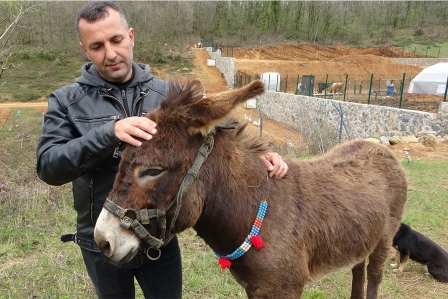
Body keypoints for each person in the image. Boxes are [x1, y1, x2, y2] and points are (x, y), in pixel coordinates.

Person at [36, 2, 288, 299]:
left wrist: (261, 158)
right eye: (97, 46)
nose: (111, 53)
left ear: (131, 36)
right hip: (105, 237)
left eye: (116, 40)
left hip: (159, 241)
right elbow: (49, 166)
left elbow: (217, 138)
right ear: (85, 50)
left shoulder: (167, 95)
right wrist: (109, 133)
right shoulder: (66, 101)